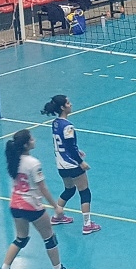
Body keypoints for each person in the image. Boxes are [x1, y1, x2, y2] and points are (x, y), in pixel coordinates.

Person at [0, 129, 76, 269]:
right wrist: (56, 206)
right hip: (31, 206)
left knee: (21, 238)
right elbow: (42, 187)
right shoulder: (33, 163)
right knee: (49, 237)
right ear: (26, 144)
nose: (34, 139)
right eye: (31, 138)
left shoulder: (15, 159)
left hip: (15, 205)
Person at [41, 95, 101, 235]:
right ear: (63, 107)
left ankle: (57, 216)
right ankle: (87, 224)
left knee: (69, 190)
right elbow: (70, 146)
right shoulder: (68, 126)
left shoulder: (55, 123)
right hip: (72, 165)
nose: (71, 104)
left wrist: (76, 150)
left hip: (61, 165)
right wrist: (81, 162)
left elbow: (65, 144)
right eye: (68, 103)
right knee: (84, 191)